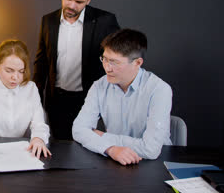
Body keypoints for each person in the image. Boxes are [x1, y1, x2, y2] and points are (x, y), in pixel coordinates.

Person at [33, 0, 120, 140]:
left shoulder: (105, 21)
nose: (72, 5)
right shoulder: (48, 21)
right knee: (58, 148)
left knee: (86, 150)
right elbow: (41, 61)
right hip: (56, 99)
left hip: (89, 100)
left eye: (79, 2)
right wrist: (35, 98)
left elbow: (118, 59)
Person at [72, 29, 172, 165]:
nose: (107, 68)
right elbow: (78, 130)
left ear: (137, 63)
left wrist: (101, 136)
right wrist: (111, 149)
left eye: (114, 62)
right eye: (105, 59)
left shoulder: (159, 90)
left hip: (157, 164)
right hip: (116, 160)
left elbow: (151, 150)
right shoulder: (99, 86)